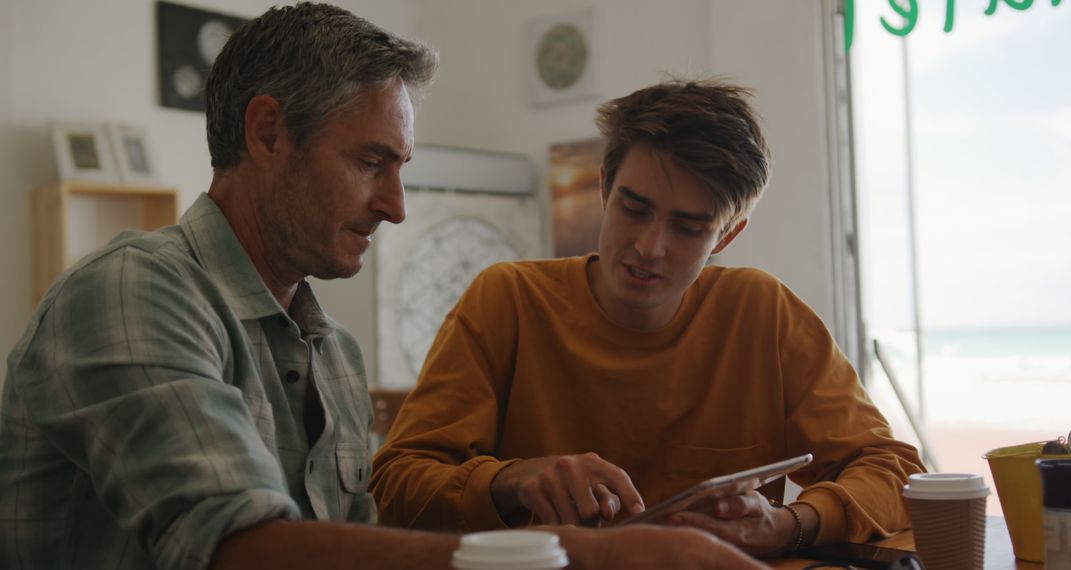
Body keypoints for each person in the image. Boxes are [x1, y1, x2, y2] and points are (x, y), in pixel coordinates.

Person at [0, 5, 766, 570]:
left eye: (401, 170)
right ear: (267, 133)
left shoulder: (328, 348)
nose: (396, 206)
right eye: (372, 164)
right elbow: (237, 551)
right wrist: (595, 556)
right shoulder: (135, 293)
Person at [370, 78, 927, 557]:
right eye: (634, 209)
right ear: (605, 187)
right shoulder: (508, 301)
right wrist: (513, 480)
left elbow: (895, 471)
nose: (650, 247)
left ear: (727, 236)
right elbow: (393, 487)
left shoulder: (763, 314)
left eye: (688, 228)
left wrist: (788, 525)